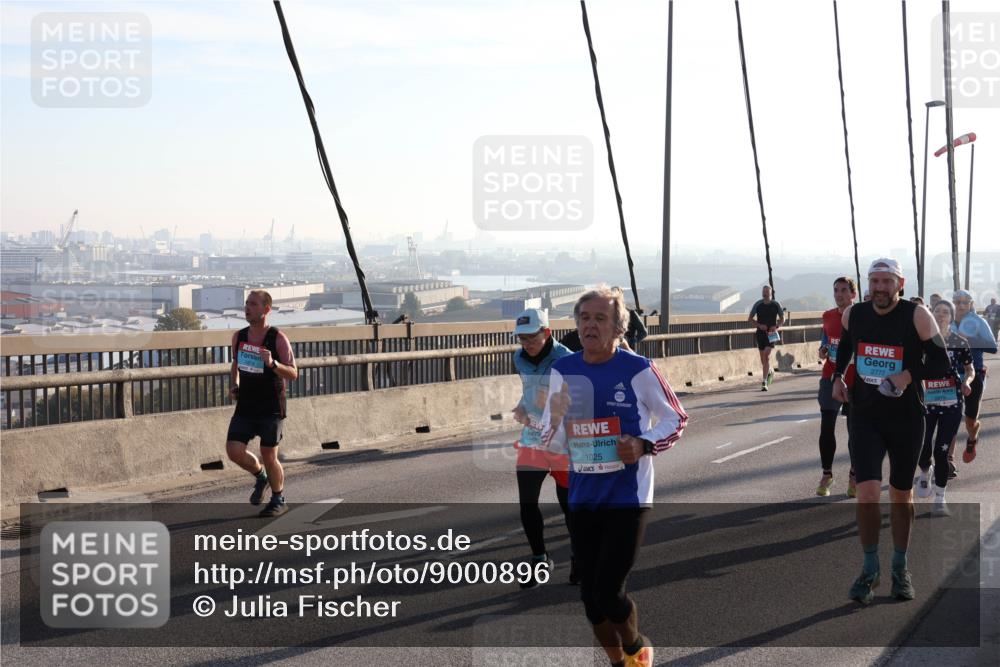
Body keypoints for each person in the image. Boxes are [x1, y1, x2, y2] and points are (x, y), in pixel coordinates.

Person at [541, 287, 687, 667]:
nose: (590, 325)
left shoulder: (638, 369)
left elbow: (675, 419)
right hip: (583, 494)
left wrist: (643, 443)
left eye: (600, 318)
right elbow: (550, 430)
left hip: (628, 496)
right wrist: (555, 434)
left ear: (619, 328)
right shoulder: (563, 370)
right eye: (584, 318)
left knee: (609, 592)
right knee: (590, 601)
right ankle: (618, 662)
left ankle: (637, 646)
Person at [832, 258, 950, 604]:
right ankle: (870, 570)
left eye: (887, 281)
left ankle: (900, 568)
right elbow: (845, 348)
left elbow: (940, 361)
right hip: (865, 415)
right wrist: (839, 377)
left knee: (900, 494)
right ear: (867, 284)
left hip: (907, 418)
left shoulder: (916, 316)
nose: (880, 288)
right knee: (868, 493)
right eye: (874, 281)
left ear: (900, 283)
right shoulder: (854, 314)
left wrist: (907, 376)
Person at [510, 308, 574, 587]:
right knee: (527, 501)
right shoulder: (518, 358)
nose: (527, 344)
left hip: (563, 440)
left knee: (569, 504)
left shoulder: (568, 360)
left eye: (532, 338)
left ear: (547, 333)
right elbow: (529, 389)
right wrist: (523, 407)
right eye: (522, 339)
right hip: (533, 437)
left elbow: (579, 398)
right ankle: (539, 559)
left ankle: (580, 556)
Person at [225, 290, 299, 517]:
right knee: (234, 451)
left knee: (269, 454)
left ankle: (279, 498)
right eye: (246, 303)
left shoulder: (278, 338)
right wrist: (234, 384)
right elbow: (236, 364)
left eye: (253, 304)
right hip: (246, 403)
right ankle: (261, 476)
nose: (247, 308)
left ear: (266, 309)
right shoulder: (239, 336)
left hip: (271, 406)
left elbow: (293, 373)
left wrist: (273, 363)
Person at [915, 299, 974, 516]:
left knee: (941, 452)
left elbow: (970, 369)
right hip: (927, 402)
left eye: (945, 313)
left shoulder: (960, 342)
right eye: (937, 312)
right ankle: (924, 471)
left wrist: (967, 382)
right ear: (931, 315)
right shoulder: (923, 341)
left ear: (951, 317)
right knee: (923, 448)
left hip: (952, 403)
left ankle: (940, 497)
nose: (941, 316)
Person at [816, 277, 857, 497]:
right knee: (826, 427)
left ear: (853, 294)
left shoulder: (861, 317)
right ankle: (827, 474)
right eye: (835, 290)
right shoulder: (828, 316)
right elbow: (826, 340)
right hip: (830, 376)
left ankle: (854, 475)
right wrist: (822, 350)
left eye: (843, 290)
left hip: (855, 380)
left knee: (855, 431)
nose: (839, 294)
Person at [951, 289, 998, 464]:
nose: (961, 305)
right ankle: (948, 460)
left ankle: (972, 438)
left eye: (965, 302)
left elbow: (993, 347)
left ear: (971, 304)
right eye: (958, 302)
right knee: (951, 418)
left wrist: (968, 341)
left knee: (970, 420)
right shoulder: (948, 322)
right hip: (950, 374)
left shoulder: (979, 322)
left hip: (974, 374)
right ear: (954, 304)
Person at [748, 285, 784, 391]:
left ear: (771, 293)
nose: (765, 294)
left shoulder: (776, 304)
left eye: (767, 292)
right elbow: (750, 319)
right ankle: (770, 371)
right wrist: (759, 325)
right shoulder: (758, 304)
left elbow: (783, 318)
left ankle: (764, 382)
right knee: (763, 360)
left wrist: (776, 326)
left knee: (766, 355)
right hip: (760, 334)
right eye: (763, 292)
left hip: (771, 334)